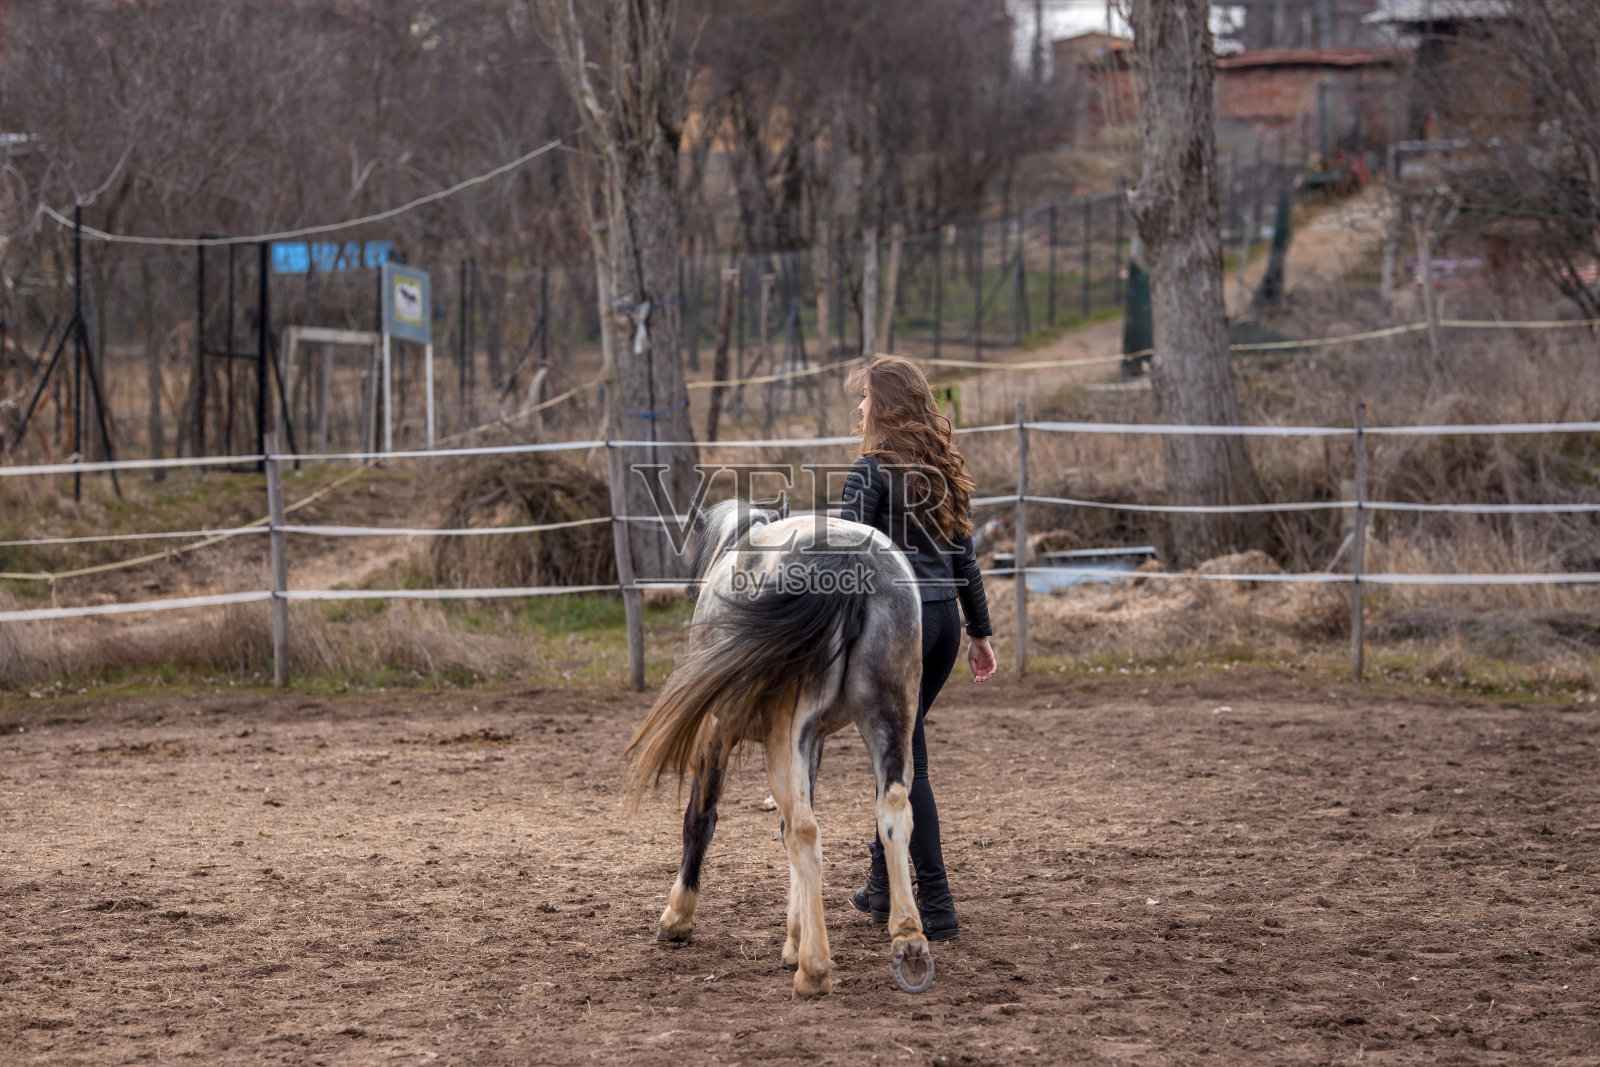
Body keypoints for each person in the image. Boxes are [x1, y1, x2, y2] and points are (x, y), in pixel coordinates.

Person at [840, 356, 997, 943]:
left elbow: (848, 556)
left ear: (882, 405)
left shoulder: (869, 471)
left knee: (907, 765)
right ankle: (882, 886)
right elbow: (965, 559)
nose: (858, 409)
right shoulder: (939, 469)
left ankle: (936, 902)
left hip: (893, 631)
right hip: (942, 628)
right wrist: (979, 634)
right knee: (896, 755)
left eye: (864, 399)